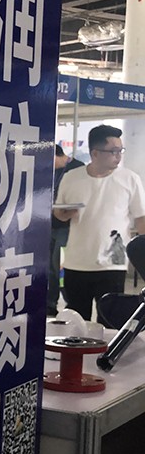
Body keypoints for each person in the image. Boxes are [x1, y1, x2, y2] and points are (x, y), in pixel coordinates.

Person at [54, 124, 145, 320]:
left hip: (113, 263)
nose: (118, 156)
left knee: (110, 320)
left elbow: (141, 218)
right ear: (95, 153)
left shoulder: (130, 179)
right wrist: (64, 214)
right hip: (77, 261)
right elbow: (60, 213)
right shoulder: (71, 178)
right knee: (77, 320)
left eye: (120, 150)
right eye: (113, 151)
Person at [48, 144, 83, 316]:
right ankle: (50, 304)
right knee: (49, 267)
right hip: (48, 225)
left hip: (67, 227)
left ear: (57, 155)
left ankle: (71, 304)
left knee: (60, 266)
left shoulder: (77, 170)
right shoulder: (50, 171)